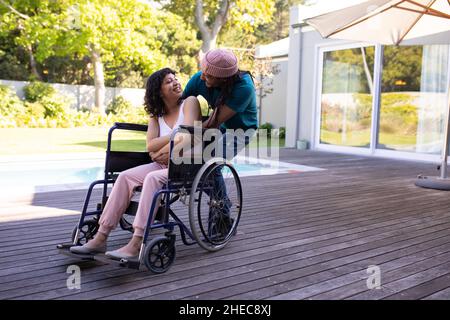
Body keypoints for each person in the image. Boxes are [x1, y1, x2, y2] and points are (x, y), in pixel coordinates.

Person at [70, 67, 202, 259]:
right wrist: (173, 140)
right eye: (168, 81)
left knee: (152, 178)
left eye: (175, 79)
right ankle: (101, 236)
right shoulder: (156, 114)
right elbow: (150, 145)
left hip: (186, 166)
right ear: (158, 91)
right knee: (124, 176)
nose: (175, 82)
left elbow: (189, 136)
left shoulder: (190, 103)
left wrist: (165, 149)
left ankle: (137, 240)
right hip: (162, 165)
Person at [182, 48, 258, 238]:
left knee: (211, 163)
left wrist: (187, 138)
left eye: (207, 76)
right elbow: (179, 106)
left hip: (239, 129)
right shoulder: (200, 78)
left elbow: (214, 123)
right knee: (195, 161)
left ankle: (221, 214)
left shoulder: (244, 87)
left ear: (223, 79)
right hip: (217, 125)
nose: (201, 77)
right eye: (203, 71)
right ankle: (222, 200)